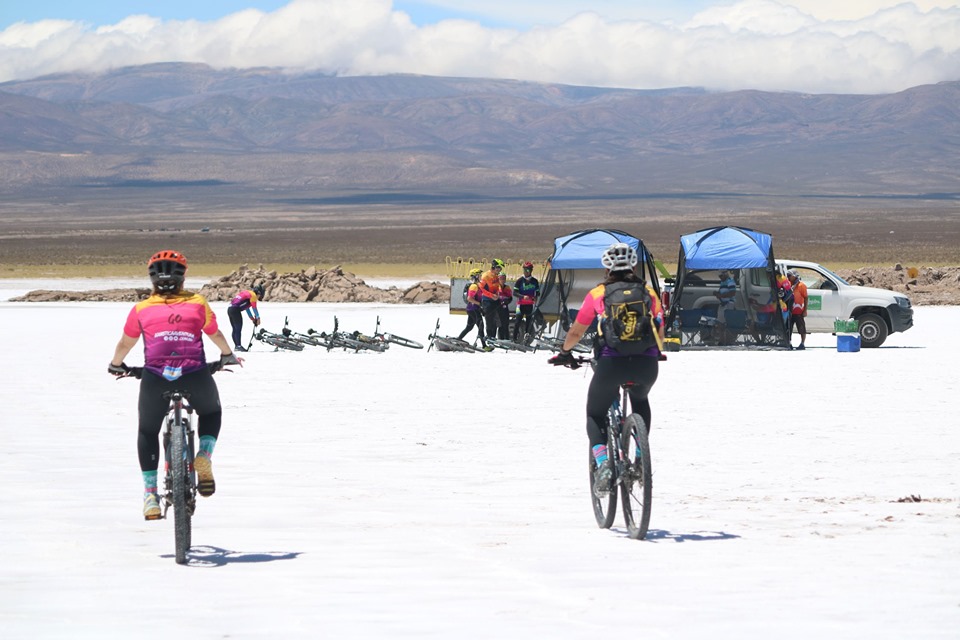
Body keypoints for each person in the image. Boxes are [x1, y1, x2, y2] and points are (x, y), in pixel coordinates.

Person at [108, 250, 240, 520]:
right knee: (211, 413)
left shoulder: (141, 309)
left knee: (147, 431)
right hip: (195, 374)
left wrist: (116, 364)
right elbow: (214, 333)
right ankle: (203, 454)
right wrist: (228, 355)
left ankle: (150, 495)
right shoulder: (198, 303)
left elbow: (125, 343)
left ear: (152, 279)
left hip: (155, 378)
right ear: (183, 277)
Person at [547, 243, 665, 493]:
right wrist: (656, 351)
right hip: (646, 364)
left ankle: (603, 465)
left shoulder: (598, 293)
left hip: (611, 362)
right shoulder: (649, 293)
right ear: (633, 265)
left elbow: (577, 331)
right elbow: (659, 328)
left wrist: (565, 353)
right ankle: (641, 460)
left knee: (595, 414)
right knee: (640, 400)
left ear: (606, 267)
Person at [228, 284, 264, 352]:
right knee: (238, 329)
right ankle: (238, 346)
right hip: (235, 310)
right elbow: (254, 308)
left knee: (235, 329)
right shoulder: (253, 295)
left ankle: (237, 346)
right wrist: (258, 318)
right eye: (260, 295)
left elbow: (247, 309)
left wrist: (253, 319)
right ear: (259, 293)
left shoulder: (248, 294)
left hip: (230, 309)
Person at [457, 268, 488, 348]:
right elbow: (469, 298)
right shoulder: (474, 286)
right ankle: (484, 346)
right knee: (481, 326)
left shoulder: (477, 285)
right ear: (476, 276)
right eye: (480, 275)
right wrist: (479, 304)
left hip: (473, 309)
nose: (481, 276)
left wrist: (481, 307)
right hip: (473, 309)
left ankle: (458, 339)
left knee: (469, 327)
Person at [513, 261, 540, 342]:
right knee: (517, 322)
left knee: (529, 323)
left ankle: (527, 339)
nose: (526, 272)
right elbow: (514, 293)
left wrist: (535, 297)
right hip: (520, 305)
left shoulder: (535, 281)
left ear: (531, 271)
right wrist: (523, 297)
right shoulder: (519, 281)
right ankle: (514, 339)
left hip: (530, 305)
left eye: (528, 270)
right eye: (524, 270)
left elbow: (538, 292)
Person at [479, 259, 504, 339]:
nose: (500, 270)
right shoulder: (486, 276)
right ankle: (489, 338)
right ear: (495, 267)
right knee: (489, 321)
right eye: (499, 268)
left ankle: (493, 337)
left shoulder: (497, 276)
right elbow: (481, 288)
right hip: (487, 301)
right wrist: (491, 295)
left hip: (495, 300)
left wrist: (498, 292)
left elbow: (498, 286)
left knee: (497, 321)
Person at [713, 269, 737, 344]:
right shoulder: (722, 282)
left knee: (727, 323)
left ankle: (728, 340)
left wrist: (721, 295)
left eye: (721, 276)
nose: (720, 278)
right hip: (722, 304)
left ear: (725, 274)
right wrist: (717, 294)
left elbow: (732, 293)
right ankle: (721, 340)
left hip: (729, 304)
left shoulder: (730, 281)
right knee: (720, 323)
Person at [787, 269, 808, 349]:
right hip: (790, 311)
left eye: (790, 275)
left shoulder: (801, 286)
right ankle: (789, 343)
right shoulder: (788, 284)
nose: (788, 277)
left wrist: (805, 310)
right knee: (789, 328)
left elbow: (806, 298)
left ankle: (802, 343)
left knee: (801, 327)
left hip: (799, 311)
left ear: (794, 276)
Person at [497, 273, 513, 340]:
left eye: (504, 279)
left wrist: (507, 301)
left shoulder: (507, 287)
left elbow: (510, 298)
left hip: (505, 308)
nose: (502, 280)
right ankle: (501, 339)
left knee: (506, 324)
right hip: (498, 308)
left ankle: (507, 339)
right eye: (501, 278)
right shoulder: (496, 287)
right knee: (500, 325)